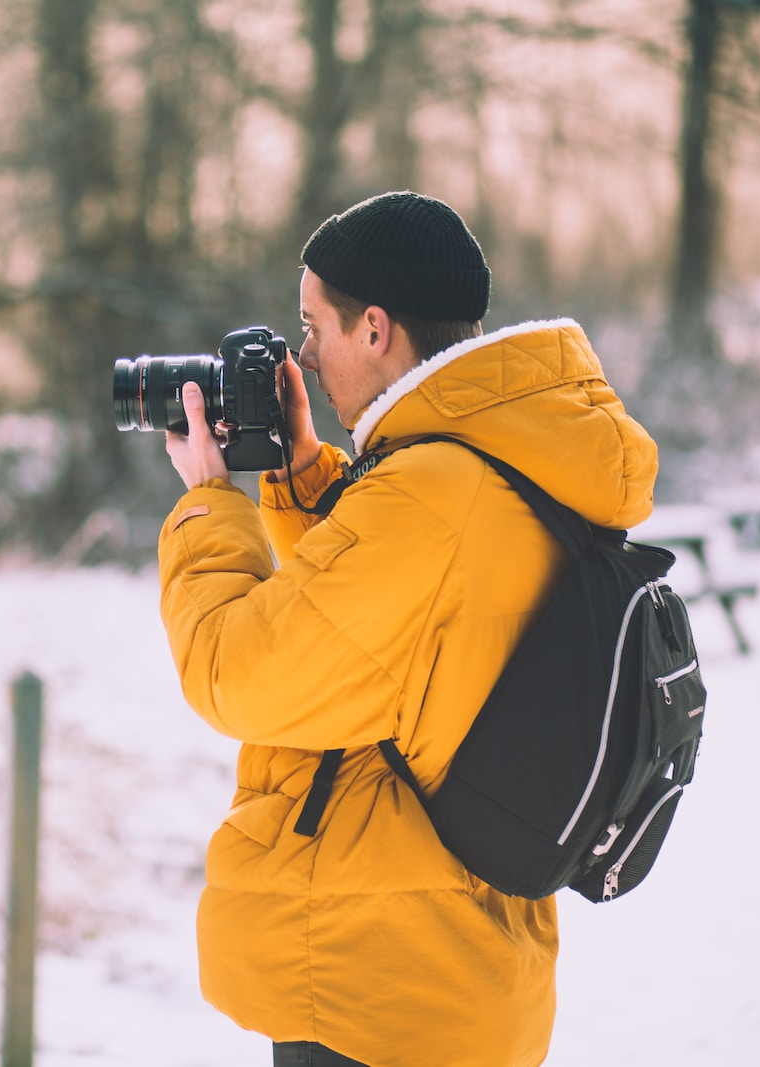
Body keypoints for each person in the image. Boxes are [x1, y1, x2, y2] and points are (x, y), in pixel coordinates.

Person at [156, 190, 659, 1066]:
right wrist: (308, 473)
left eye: (313, 326)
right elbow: (401, 638)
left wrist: (208, 501)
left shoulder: (428, 499)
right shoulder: (500, 459)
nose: (303, 356)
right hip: (451, 962)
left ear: (377, 329)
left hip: (377, 984)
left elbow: (236, 672)